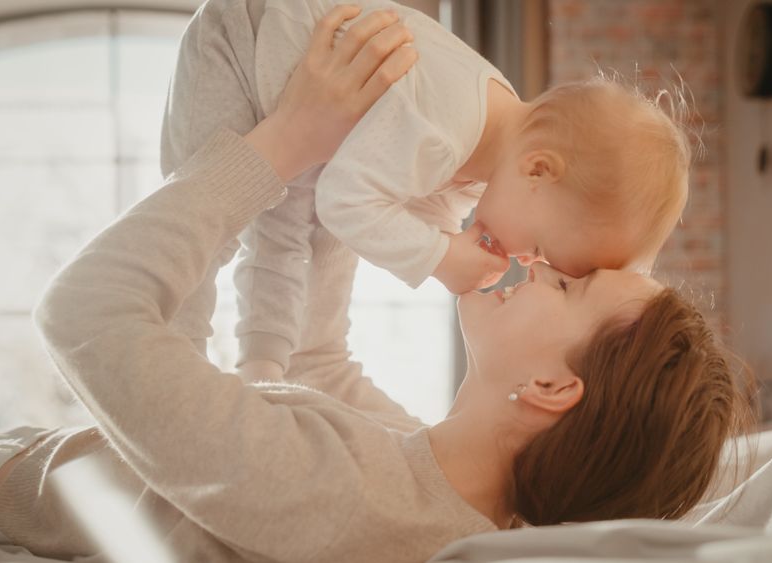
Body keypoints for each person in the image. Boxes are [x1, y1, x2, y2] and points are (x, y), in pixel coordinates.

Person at [0, 6, 749, 563]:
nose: (534, 266)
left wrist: (287, 140)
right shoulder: (446, 488)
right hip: (35, 464)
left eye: (567, 287)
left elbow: (83, 311)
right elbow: (308, 366)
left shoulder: (360, 504)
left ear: (549, 386)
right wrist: (349, 154)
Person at [159, 0, 693, 382]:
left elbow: (427, 209)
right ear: (538, 171)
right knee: (204, 233)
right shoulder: (446, 129)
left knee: (283, 234)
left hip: (301, 116)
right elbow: (344, 202)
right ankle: (172, 371)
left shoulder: (484, 154)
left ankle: (262, 371)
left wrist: (446, 245)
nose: (527, 260)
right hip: (242, 44)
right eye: (543, 249)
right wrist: (438, 257)